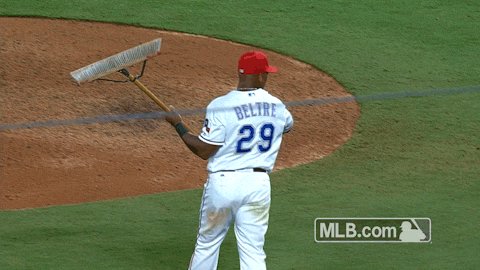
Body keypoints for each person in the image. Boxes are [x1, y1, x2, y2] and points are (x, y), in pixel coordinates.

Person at [165, 51, 294, 270]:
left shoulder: (221, 104)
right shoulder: (278, 106)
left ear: (240, 73)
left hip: (224, 184)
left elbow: (204, 150)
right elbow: (287, 126)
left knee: (207, 244)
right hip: (258, 185)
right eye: (266, 73)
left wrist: (178, 124)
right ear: (261, 76)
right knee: (253, 251)